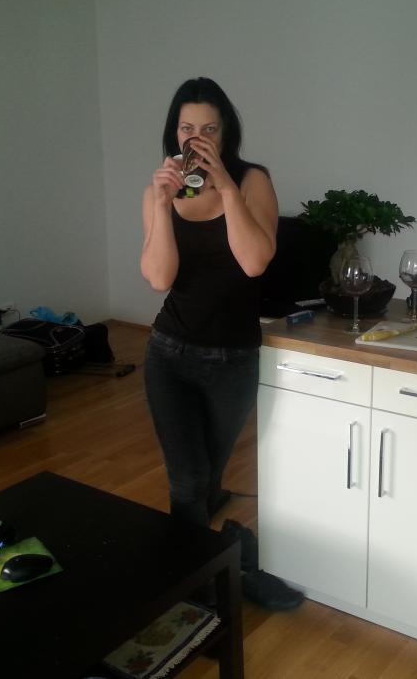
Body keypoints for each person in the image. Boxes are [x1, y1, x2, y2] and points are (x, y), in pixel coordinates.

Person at [140, 76, 278, 529]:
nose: (196, 139)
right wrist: (161, 206)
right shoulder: (158, 192)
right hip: (170, 353)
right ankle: (191, 571)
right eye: (187, 128)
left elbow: (254, 263)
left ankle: (207, 555)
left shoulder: (252, 181)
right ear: (174, 133)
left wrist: (227, 188)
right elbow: (159, 277)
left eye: (209, 129)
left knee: (209, 478)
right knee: (188, 480)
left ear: (225, 133)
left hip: (233, 358)